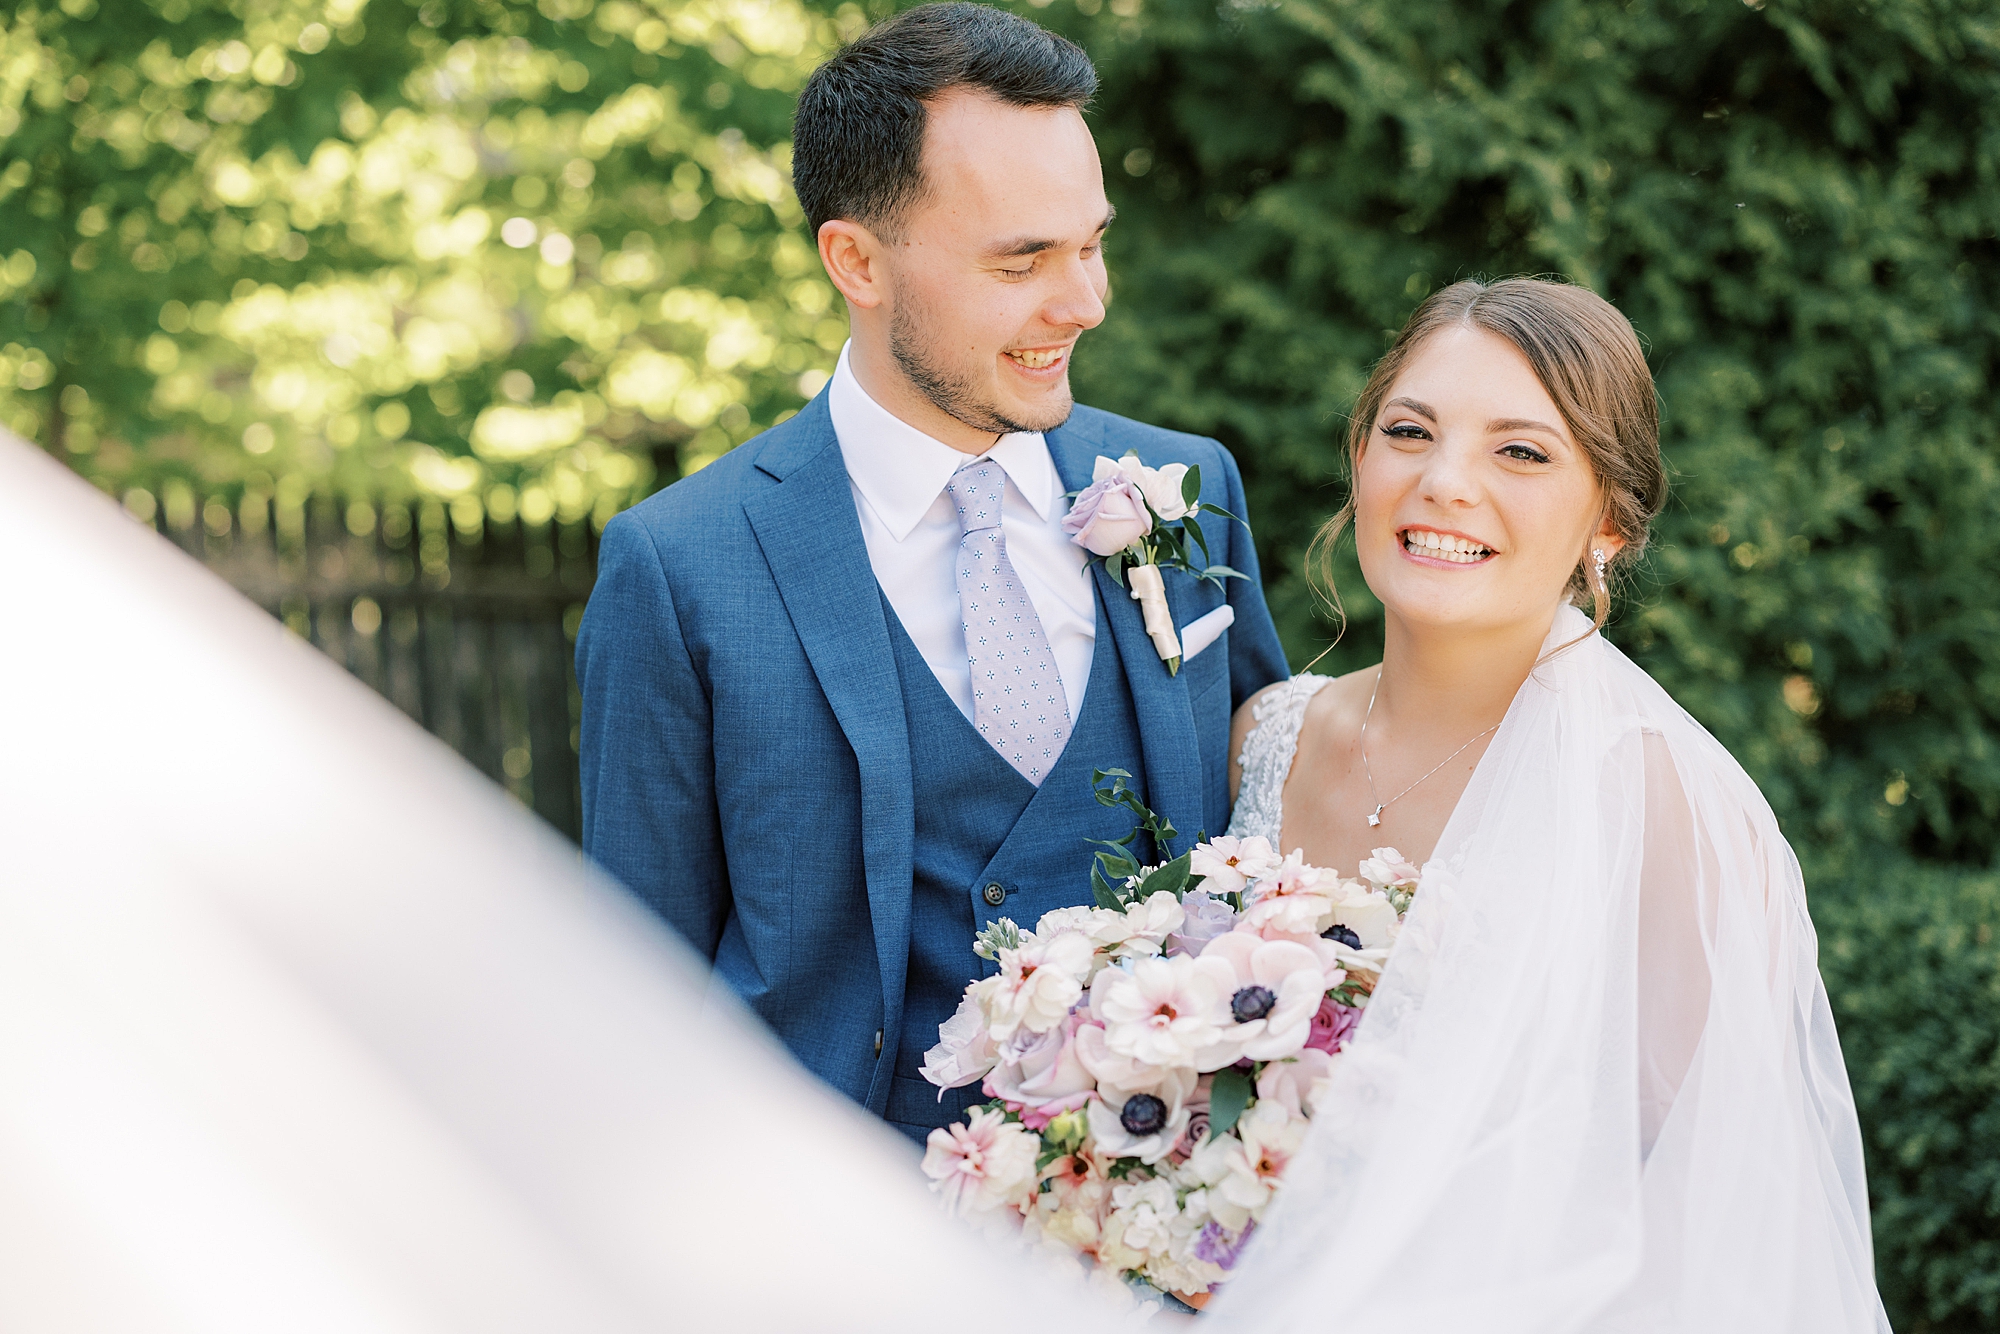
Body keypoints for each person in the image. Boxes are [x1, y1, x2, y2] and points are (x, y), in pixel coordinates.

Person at [575, 3, 1289, 1145]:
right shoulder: (678, 566)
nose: (1082, 301)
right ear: (855, 258)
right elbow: (629, 993)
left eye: (1090, 242)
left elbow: (1271, 838)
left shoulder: (1180, 483)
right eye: (1021, 260)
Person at [1212, 278, 1889, 1330]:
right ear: (1359, 456)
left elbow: (1702, 1230)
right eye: (1407, 430)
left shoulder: (1662, 802)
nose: (1443, 481)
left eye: (1518, 452)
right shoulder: (1266, 735)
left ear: (1607, 521)